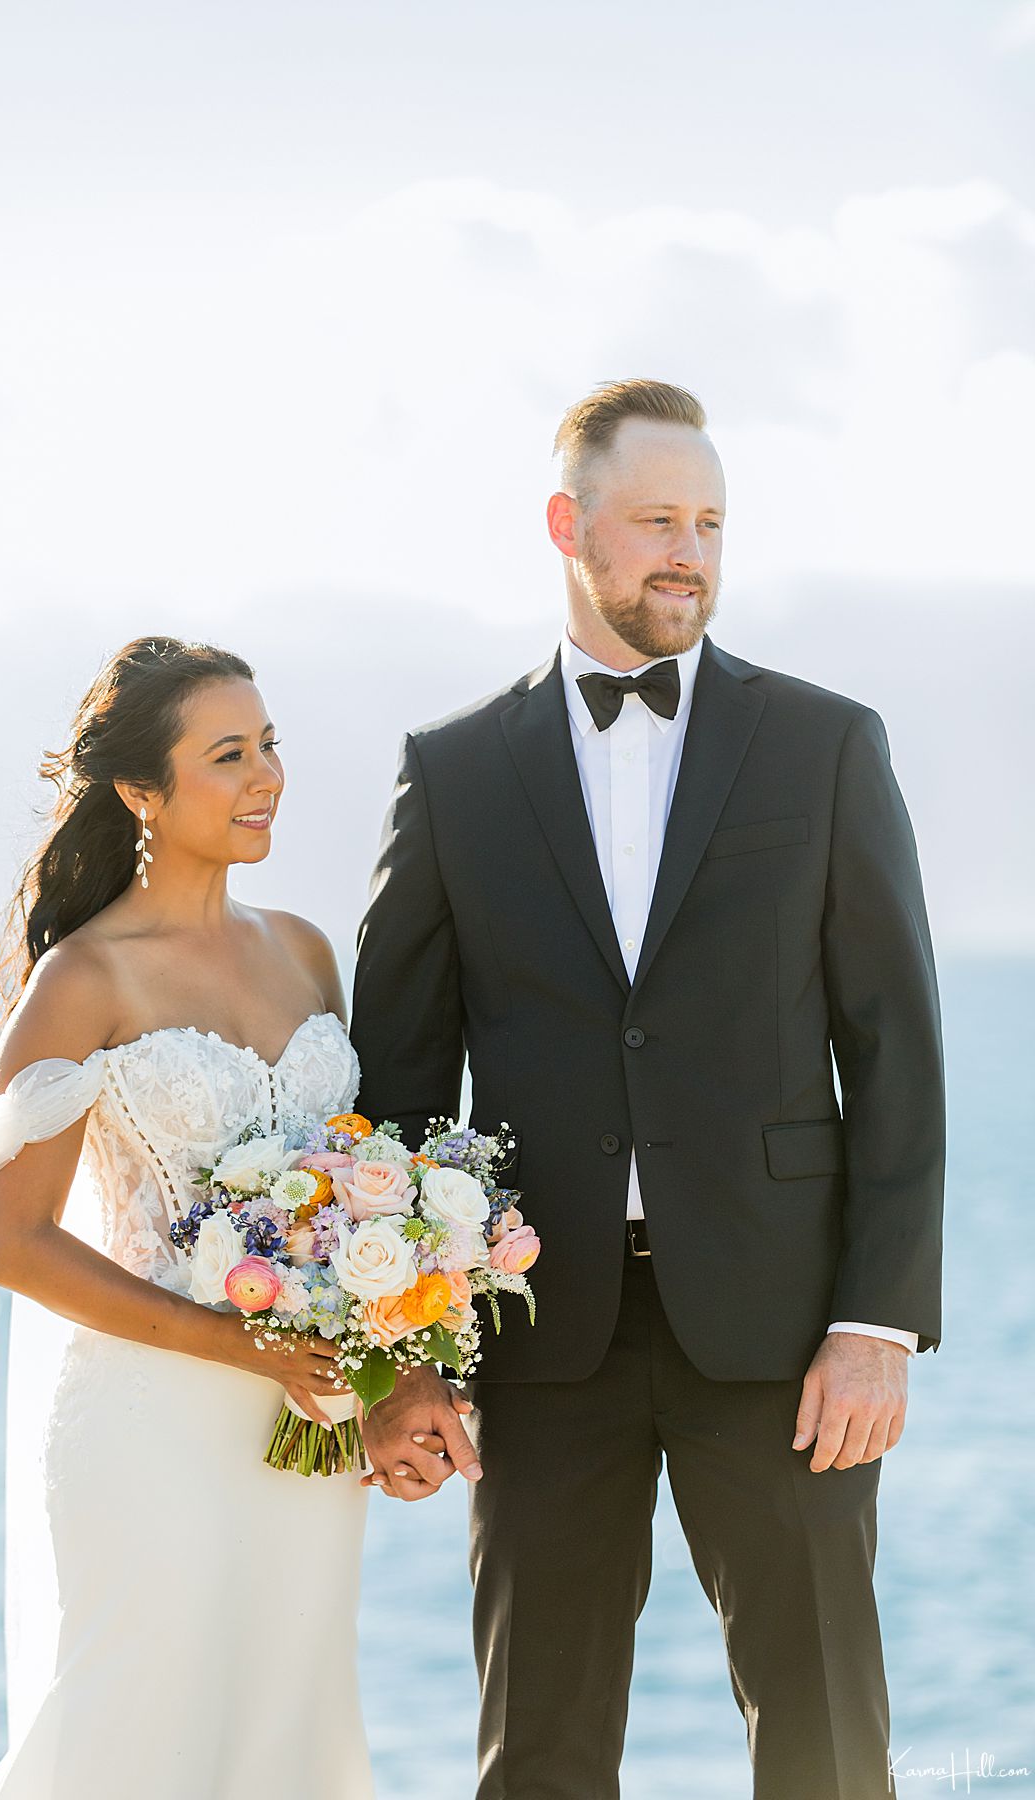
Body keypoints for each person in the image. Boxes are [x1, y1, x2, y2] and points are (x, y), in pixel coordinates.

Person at [352, 379, 944, 1800]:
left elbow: (898, 1045)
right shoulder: (453, 772)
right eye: (659, 520)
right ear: (569, 526)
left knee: (825, 1739)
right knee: (540, 1747)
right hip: (544, 1333)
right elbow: (404, 1082)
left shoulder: (826, 744)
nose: (691, 551)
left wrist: (879, 1324)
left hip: (787, 1331)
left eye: (713, 523)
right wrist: (404, 1350)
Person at [0, 636, 438, 1798]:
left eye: (270, 745)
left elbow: (343, 1194)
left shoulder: (308, 952)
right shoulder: (85, 977)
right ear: (140, 792)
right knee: (134, 1737)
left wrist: (381, 1383)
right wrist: (239, 1343)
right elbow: (13, 1245)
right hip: (147, 1427)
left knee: (288, 1735)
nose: (267, 774)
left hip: (305, 1434)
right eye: (228, 754)